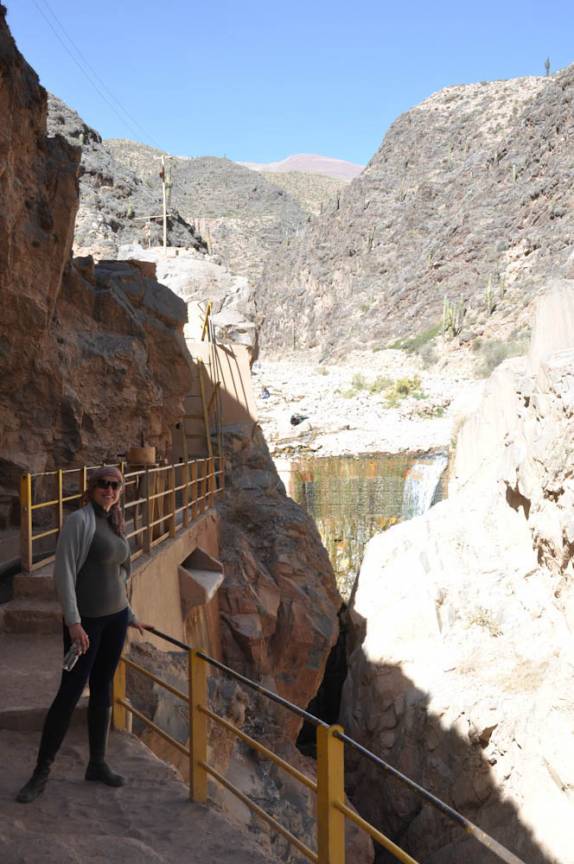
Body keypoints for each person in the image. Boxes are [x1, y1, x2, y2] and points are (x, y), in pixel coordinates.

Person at [16, 466, 148, 803]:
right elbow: (63, 574)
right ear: (91, 488)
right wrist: (73, 622)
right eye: (104, 484)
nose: (110, 490)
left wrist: (130, 614)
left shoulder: (116, 521)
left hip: (115, 619)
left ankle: (97, 763)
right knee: (70, 693)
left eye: (115, 485)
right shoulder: (79, 521)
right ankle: (40, 773)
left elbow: (119, 573)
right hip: (86, 624)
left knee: (103, 688)